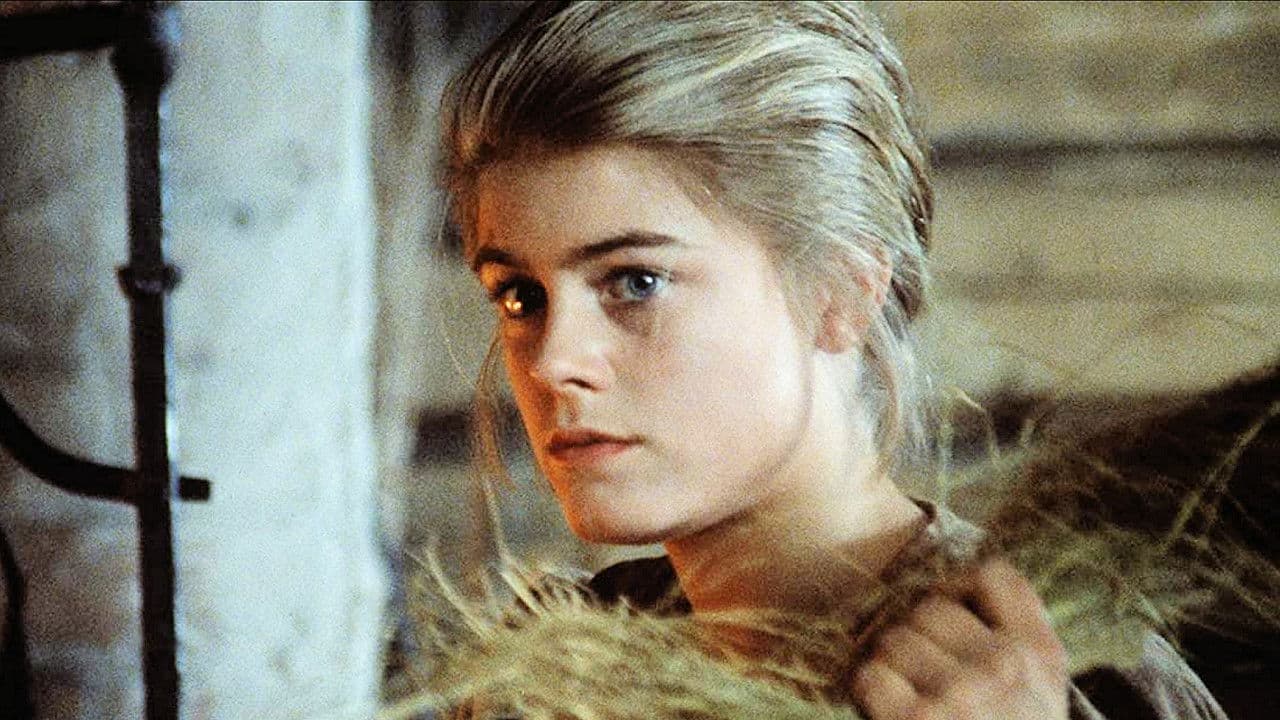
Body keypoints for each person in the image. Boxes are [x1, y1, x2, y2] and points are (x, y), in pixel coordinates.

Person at [436, 2, 1228, 718]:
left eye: (636, 282)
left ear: (840, 293)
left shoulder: (1049, 670)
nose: (553, 362)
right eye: (521, 296)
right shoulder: (549, 679)